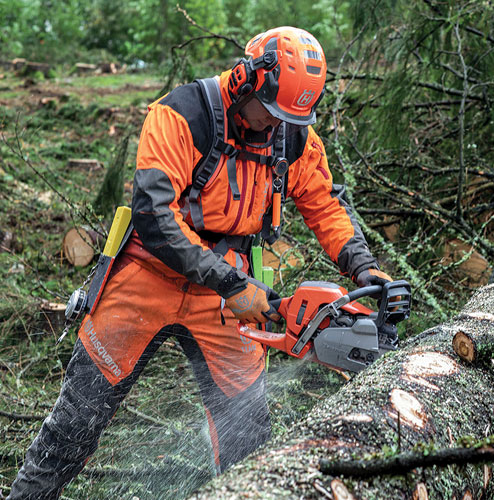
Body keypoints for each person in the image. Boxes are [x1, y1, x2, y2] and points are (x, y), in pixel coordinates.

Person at [7, 26, 393, 500]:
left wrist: (362, 266)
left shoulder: (292, 135)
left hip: (225, 294)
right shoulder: (182, 114)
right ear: (248, 80)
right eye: (269, 113)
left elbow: (325, 204)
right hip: (147, 275)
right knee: (75, 422)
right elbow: (154, 216)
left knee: (247, 436)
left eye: (286, 118)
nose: (274, 126)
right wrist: (232, 282)